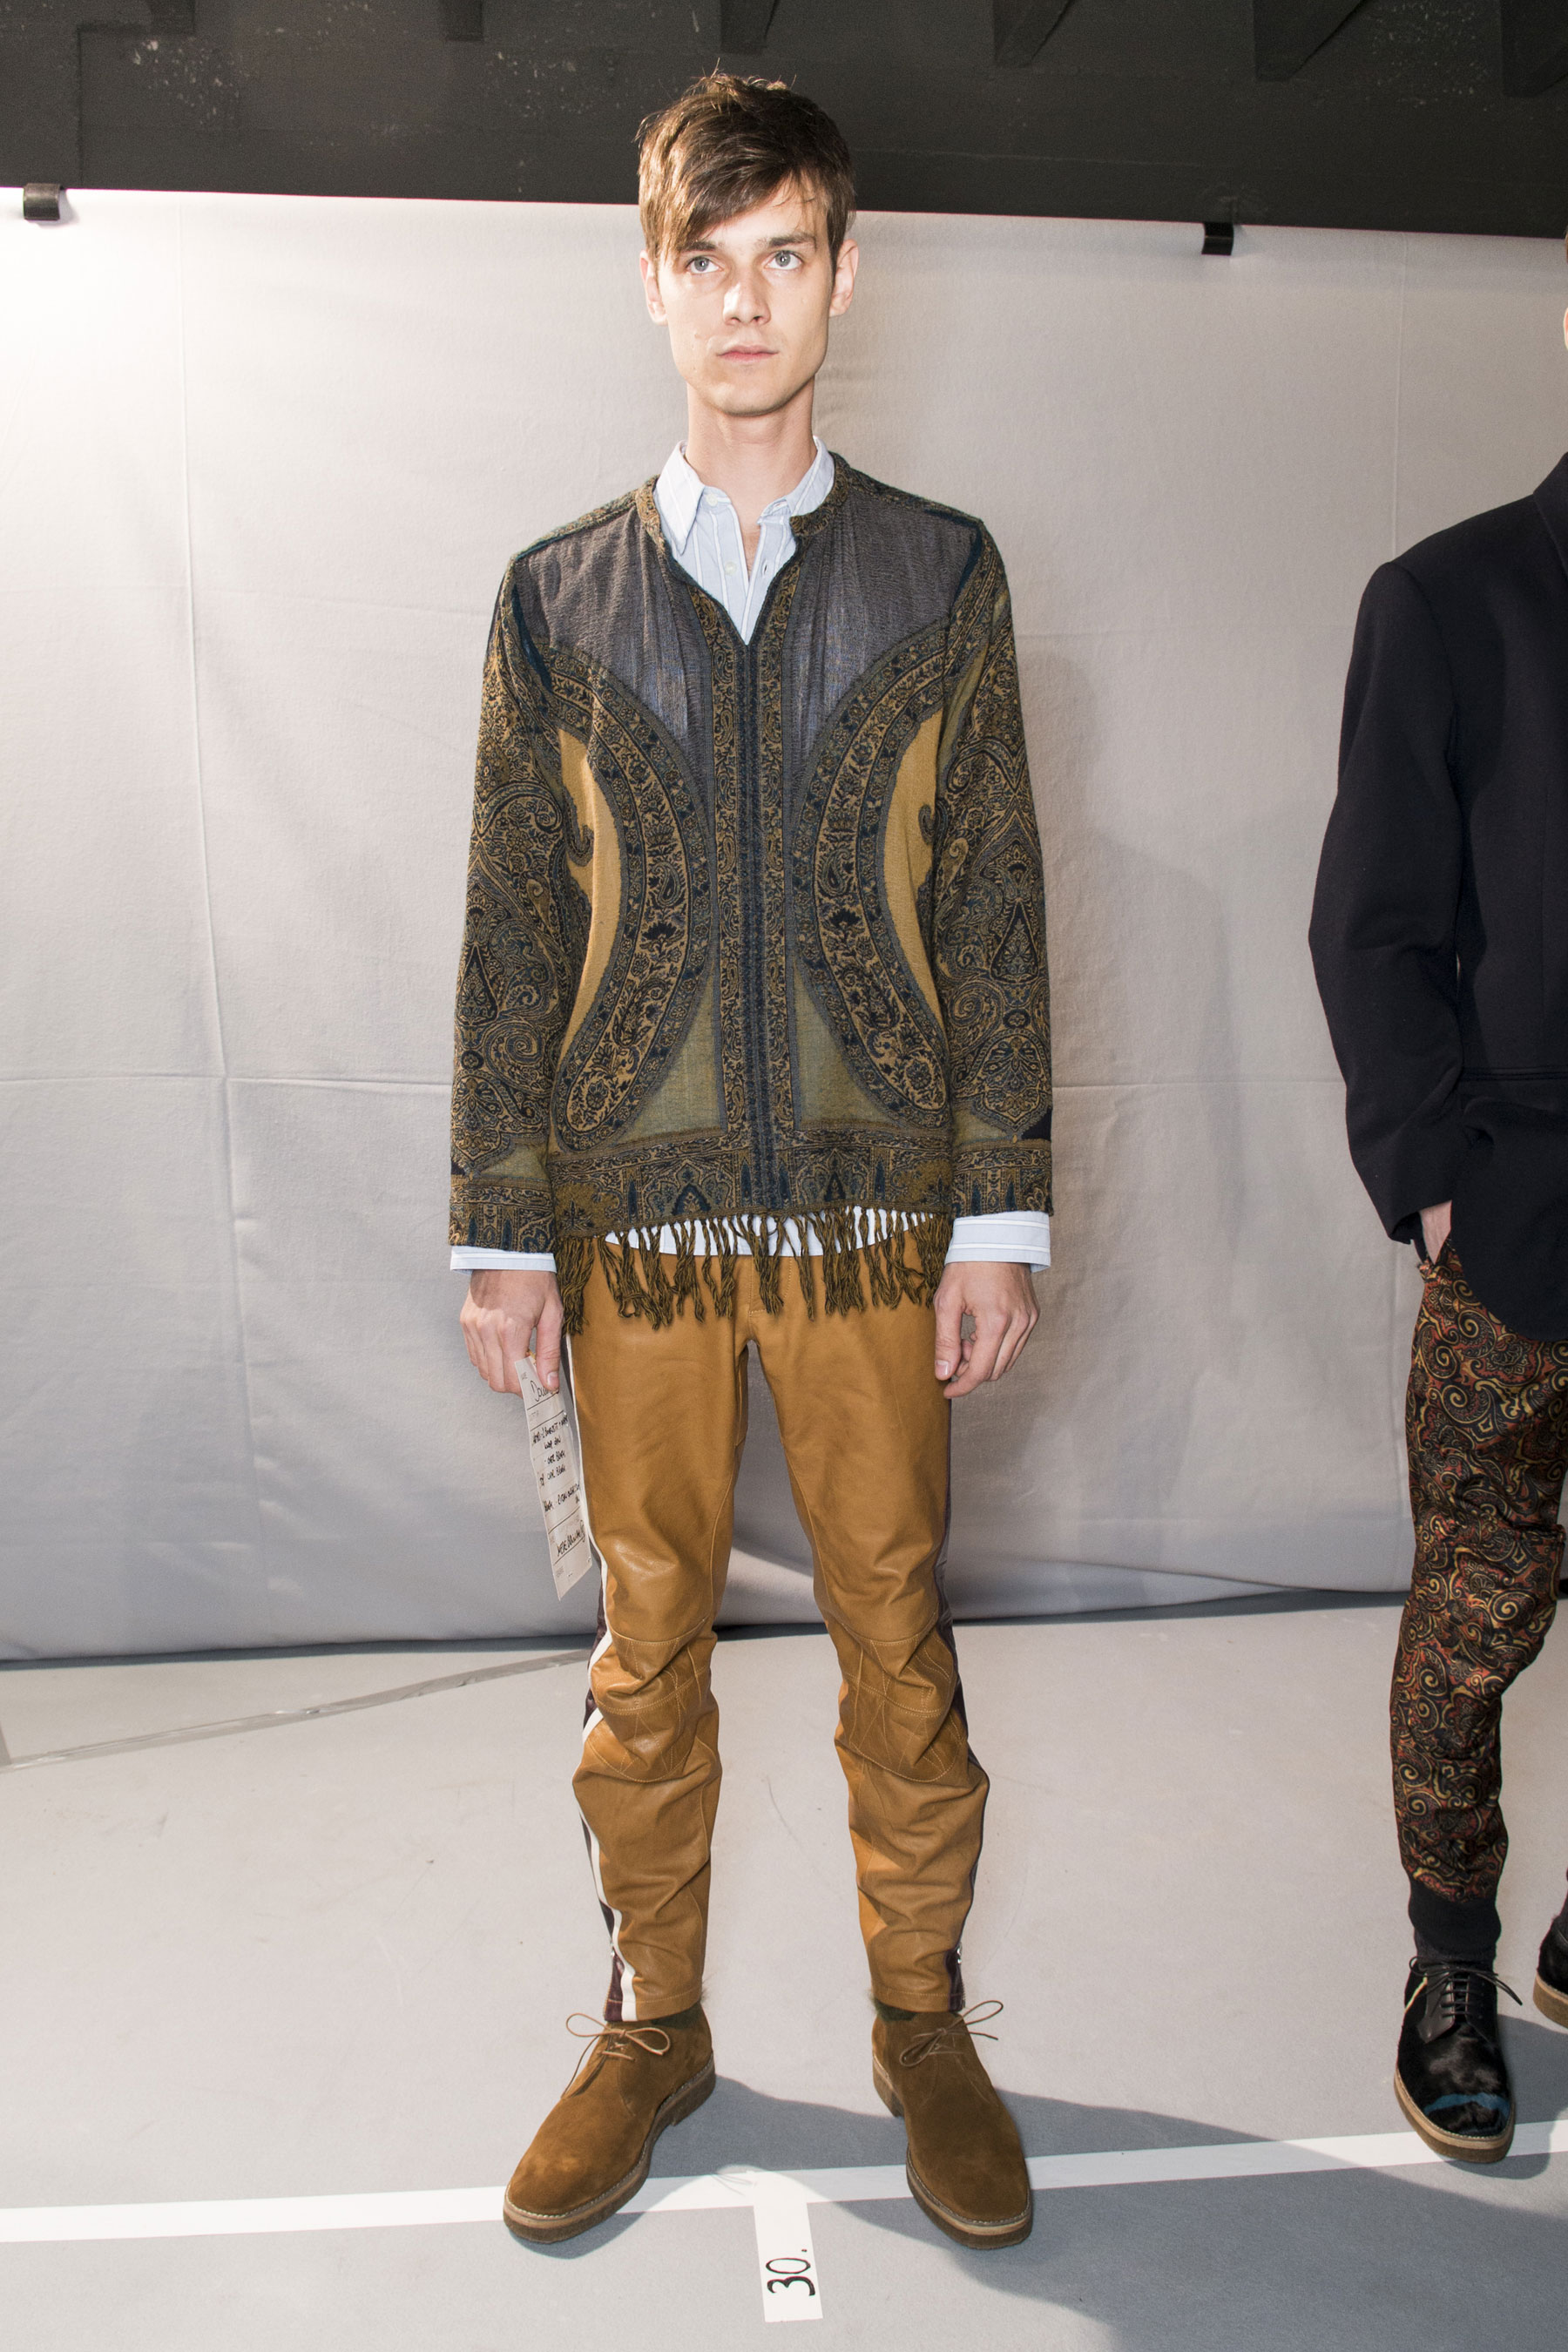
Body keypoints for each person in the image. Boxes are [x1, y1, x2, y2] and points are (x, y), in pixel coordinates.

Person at [449, 75, 1052, 2247]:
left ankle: (922, 2022)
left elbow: (993, 905)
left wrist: (999, 1209)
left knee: (899, 1630)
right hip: (635, 1226)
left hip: (882, 1217)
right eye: (703, 260)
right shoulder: (556, 599)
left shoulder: (941, 574)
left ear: (842, 275)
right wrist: (503, 1230)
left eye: (782, 253)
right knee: (648, 1649)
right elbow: (514, 931)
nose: (742, 301)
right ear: (651, 283)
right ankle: (655, 2024)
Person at [1309, 267, 1568, 2167]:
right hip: (1527, 1211)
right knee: (1477, 1614)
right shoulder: (1453, 600)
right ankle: (1451, 1966)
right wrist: (1433, 1176)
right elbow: (1372, 923)